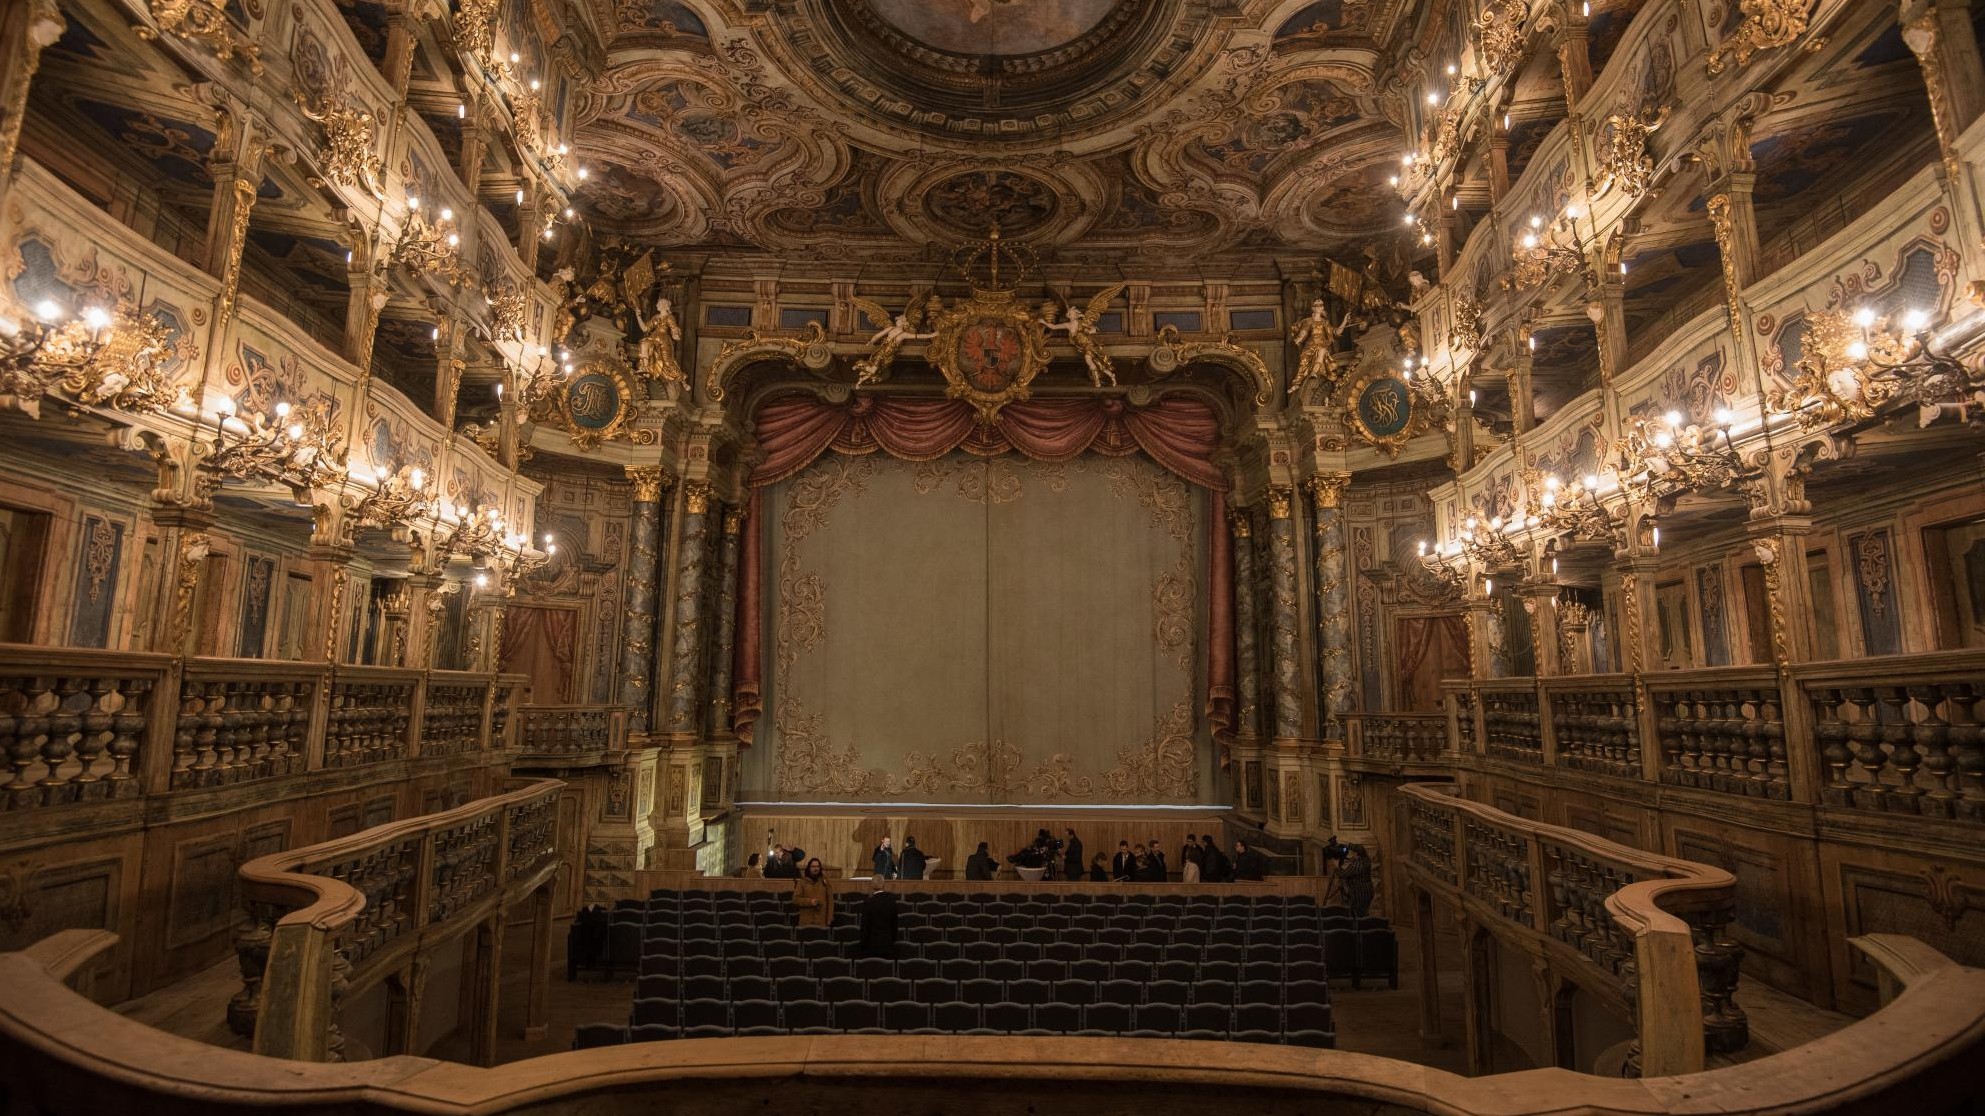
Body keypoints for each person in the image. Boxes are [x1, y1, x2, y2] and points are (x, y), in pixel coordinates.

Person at [856, 887, 899, 958]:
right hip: (887, 944)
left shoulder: (868, 902)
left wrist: (863, 943)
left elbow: (864, 926)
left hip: (871, 945)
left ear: (872, 886)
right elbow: (895, 924)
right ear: (883, 885)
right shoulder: (891, 901)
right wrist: (892, 940)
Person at [792, 858, 833, 928]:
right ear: (809, 868)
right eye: (813, 866)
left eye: (817, 866)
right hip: (806, 922)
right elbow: (795, 899)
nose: (816, 868)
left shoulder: (825, 881)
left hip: (821, 921)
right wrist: (809, 902)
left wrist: (829, 918)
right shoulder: (802, 882)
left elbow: (830, 901)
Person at [1340, 843, 1375, 917]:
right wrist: (1348, 846)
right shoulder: (1367, 860)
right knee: (1364, 912)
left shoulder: (1358, 863)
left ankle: (1360, 927)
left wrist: (1340, 868)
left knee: (1358, 914)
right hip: (1368, 889)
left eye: (1353, 852)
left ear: (1356, 853)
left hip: (1359, 891)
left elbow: (1345, 873)